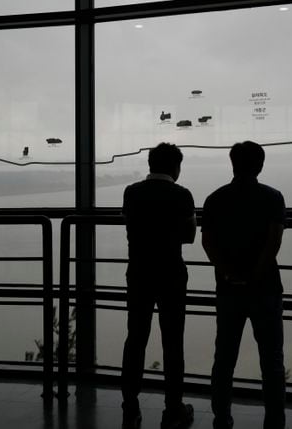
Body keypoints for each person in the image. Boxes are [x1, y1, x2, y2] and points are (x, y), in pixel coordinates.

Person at [202, 141, 286, 429]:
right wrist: (255, 275)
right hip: (266, 288)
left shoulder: (214, 200)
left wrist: (229, 273)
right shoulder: (273, 198)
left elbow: (208, 243)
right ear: (260, 166)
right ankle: (275, 419)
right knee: (272, 359)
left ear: (232, 164)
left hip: (228, 290)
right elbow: (274, 242)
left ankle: (221, 417)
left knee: (224, 357)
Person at [121, 142, 197, 429]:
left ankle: (130, 404)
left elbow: (128, 222)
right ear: (175, 167)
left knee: (136, 337)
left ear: (151, 164)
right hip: (171, 274)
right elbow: (189, 236)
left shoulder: (132, 192)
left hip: (139, 272)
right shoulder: (182, 195)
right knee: (172, 341)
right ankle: (173, 407)